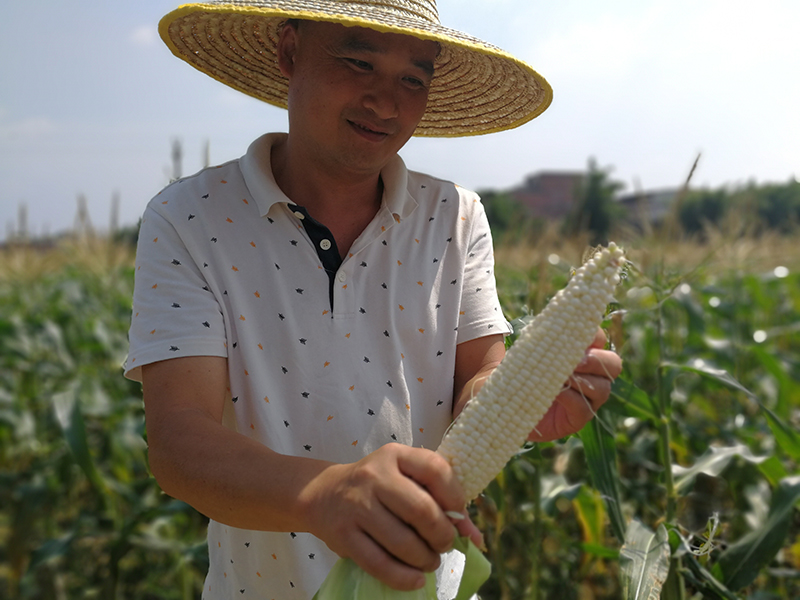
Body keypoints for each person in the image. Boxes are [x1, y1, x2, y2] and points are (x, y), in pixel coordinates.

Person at [124, 1, 623, 598]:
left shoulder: (455, 216)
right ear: (289, 51)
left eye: (414, 78)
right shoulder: (189, 218)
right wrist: (327, 494)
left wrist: (516, 404)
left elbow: (480, 372)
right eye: (358, 62)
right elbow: (179, 442)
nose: (386, 103)